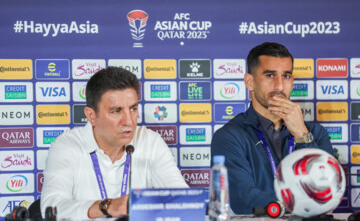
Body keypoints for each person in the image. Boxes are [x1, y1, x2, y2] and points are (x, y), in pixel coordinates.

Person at [41, 67, 188, 219]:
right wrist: (107, 206)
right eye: (116, 111)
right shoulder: (66, 146)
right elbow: (51, 207)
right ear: (91, 116)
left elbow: (183, 202)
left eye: (133, 109)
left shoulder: (151, 141)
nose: (129, 121)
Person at [211, 42, 333, 214]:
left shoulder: (315, 133)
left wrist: (302, 135)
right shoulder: (229, 136)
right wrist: (304, 203)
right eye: (270, 75)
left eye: (286, 76)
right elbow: (242, 199)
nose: (280, 86)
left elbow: (327, 192)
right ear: (249, 82)